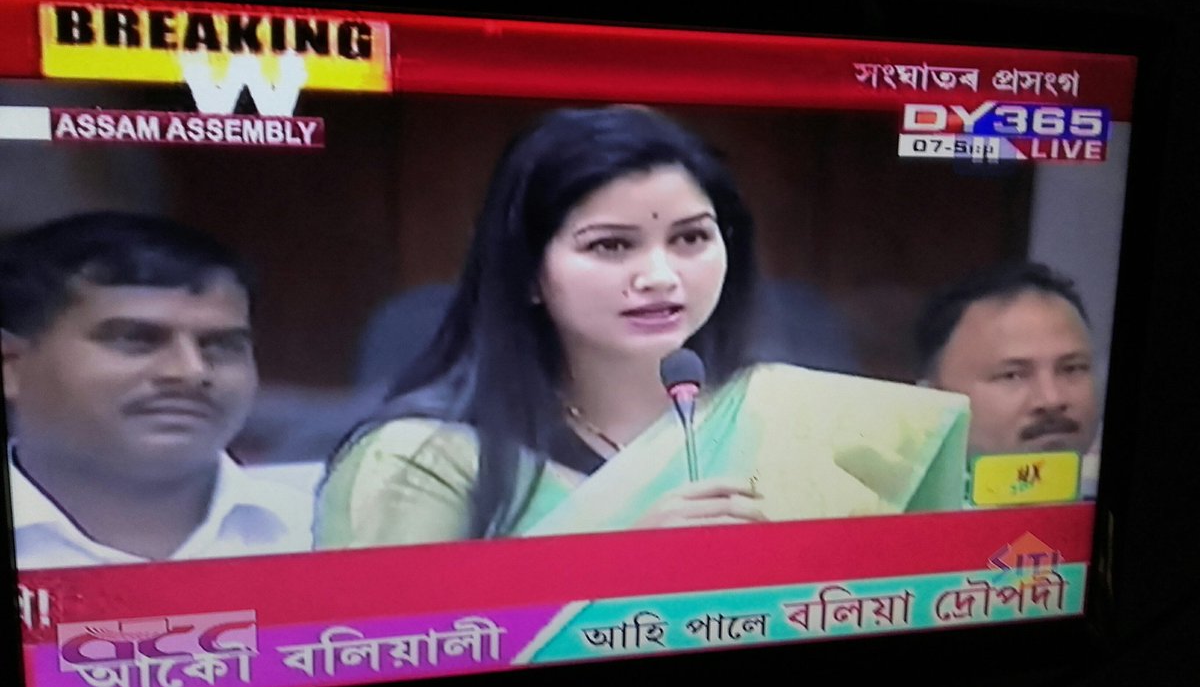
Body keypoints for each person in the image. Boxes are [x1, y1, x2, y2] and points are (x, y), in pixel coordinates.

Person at [316, 106, 970, 548]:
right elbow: (384, 651)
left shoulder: (803, 420)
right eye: (611, 245)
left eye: (690, 238)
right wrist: (619, 561)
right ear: (526, 273)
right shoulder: (418, 460)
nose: (660, 276)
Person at [1, 212, 313, 569]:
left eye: (221, 345)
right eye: (135, 339)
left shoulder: (324, 534)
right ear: (11, 366)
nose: (190, 371)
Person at [914, 261, 1101, 494]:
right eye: (1012, 375)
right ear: (933, 396)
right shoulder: (886, 512)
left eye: (1072, 369)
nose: (1052, 399)